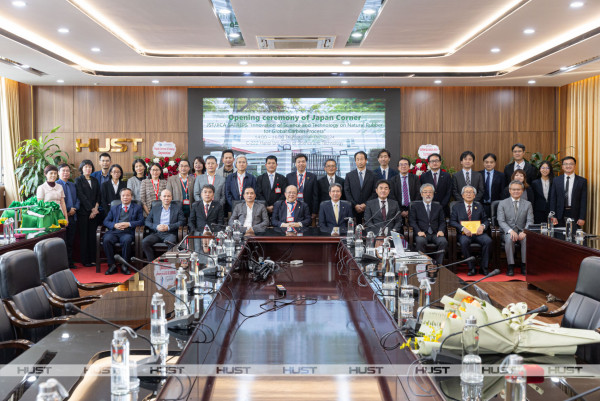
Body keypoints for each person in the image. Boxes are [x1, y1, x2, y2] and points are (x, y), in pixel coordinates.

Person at [450, 185, 492, 276]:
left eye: (471, 192)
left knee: (488, 241)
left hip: (478, 233)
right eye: (466, 192)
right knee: (464, 242)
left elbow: (486, 220)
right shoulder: (456, 207)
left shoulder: (479, 206)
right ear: (462, 195)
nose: (469, 194)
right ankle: (471, 267)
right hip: (464, 234)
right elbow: (452, 221)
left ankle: (483, 267)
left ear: (474, 195)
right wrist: (462, 228)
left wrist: (483, 226)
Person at [102, 188, 144, 275]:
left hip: (128, 232)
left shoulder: (137, 207)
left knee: (127, 240)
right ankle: (112, 265)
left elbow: (141, 221)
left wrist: (128, 224)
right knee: (106, 239)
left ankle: (125, 265)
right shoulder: (114, 208)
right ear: (120, 197)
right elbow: (106, 221)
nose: (125, 197)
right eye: (123, 195)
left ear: (131, 197)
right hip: (115, 231)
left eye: (128, 195)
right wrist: (114, 225)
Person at [497, 181, 534, 276]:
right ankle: (510, 266)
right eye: (513, 189)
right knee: (510, 239)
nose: (516, 191)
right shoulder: (502, 203)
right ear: (509, 190)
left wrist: (525, 231)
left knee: (526, 239)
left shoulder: (528, 204)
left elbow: (530, 220)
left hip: (522, 230)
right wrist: (510, 231)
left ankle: (524, 265)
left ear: (522, 191)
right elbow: (501, 221)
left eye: (518, 189)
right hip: (508, 231)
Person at [142, 189, 186, 262]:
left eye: (168, 196)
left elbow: (182, 222)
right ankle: (152, 263)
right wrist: (156, 226)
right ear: (160, 198)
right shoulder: (155, 208)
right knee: (144, 242)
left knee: (171, 242)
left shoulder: (177, 208)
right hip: (156, 233)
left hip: (170, 233)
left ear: (171, 197)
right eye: (164, 196)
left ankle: (170, 264)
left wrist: (168, 227)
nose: (166, 198)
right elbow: (147, 221)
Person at [408, 183, 447, 265]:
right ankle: (423, 265)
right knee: (420, 241)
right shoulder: (415, 206)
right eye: (425, 192)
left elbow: (442, 221)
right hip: (422, 233)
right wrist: (418, 231)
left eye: (430, 192)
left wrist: (441, 230)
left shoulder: (438, 207)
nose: (428, 194)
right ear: (421, 194)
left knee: (443, 241)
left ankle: (438, 264)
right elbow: (412, 221)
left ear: (433, 194)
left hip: (435, 233)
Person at [74, 160, 101, 267]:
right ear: (81, 168)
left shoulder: (95, 180)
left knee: (92, 237)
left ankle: (93, 259)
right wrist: (91, 209)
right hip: (84, 213)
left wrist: (96, 208)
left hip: (94, 212)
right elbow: (81, 196)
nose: (88, 169)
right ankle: (85, 260)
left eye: (90, 167)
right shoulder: (78, 180)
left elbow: (98, 195)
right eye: (86, 167)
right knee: (84, 236)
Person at [550, 156, 587, 227]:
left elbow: (583, 201)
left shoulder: (582, 181)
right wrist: (553, 216)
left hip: (575, 214)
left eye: (571, 164)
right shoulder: (556, 180)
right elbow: (553, 199)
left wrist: (582, 217)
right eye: (566, 164)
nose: (568, 166)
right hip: (559, 214)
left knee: (573, 236)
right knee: (558, 236)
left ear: (575, 166)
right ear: (562, 166)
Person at [57, 163, 79, 269]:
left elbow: (78, 199)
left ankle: (70, 262)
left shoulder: (72, 185)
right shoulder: (56, 185)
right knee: (62, 242)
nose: (66, 173)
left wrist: (75, 208)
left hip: (73, 216)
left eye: (67, 171)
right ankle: (62, 264)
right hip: (61, 217)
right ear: (58, 173)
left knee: (70, 241)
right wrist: (67, 211)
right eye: (63, 171)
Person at [344, 151, 377, 222]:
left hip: (369, 209)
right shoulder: (349, 175)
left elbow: (375, 192)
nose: (360, 161)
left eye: (361, 159)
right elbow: (347, 192)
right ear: (355, 161)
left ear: (366, 160)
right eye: (357, 159)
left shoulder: (373, 175)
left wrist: (365, 204)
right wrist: (355, 205)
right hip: (353, 209)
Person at [286, 153, 319, 220]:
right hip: (292, 207)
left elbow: (315, 195)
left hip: (308, 208)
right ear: (295, 163)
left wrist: (314, 211)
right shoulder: (289, 176)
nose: (301, 164)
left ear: (306, 163)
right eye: (299, 162)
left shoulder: (312, 176)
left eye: (303, 162)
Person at [91, 152, 111, 218]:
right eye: (103, 161)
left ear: (110, 162)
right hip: (96, 205)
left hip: (109, 204)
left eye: (107, 161)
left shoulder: (114, 175)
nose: (105, 163)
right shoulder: (93, 175)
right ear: (99, 162)